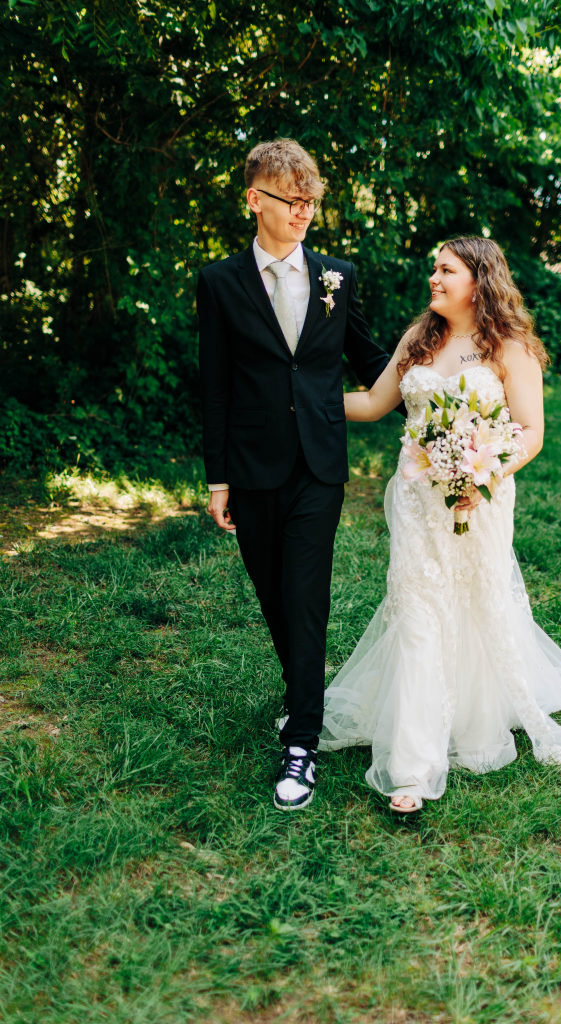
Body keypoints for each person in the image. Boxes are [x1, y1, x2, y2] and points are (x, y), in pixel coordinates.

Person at [319, 237, 561, 813]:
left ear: (479, 278)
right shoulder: (420, 338)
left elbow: (530, 435)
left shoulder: (508, 347)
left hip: (479, 502)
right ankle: (412, 768)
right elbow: (371, 404)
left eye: (446, 270)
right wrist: (301, 397)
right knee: (417, 612)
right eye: (433, 270)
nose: (433, 279)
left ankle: (473, 714)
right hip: (416, 503)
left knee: (479, 605)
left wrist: (480, 476)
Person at [197, 139, 392, 810]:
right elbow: (215, 383)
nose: (304, 212)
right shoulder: (219, 283)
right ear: (254, 199)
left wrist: (446, 367)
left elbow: (372, 360)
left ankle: (301, 742)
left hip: (319, 463)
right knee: (274, 596)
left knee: (305, 595)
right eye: (291, 201)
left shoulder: (338, 277)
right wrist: (217, 478)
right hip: (250, 464)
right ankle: (304, 694)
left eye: (311, 201)